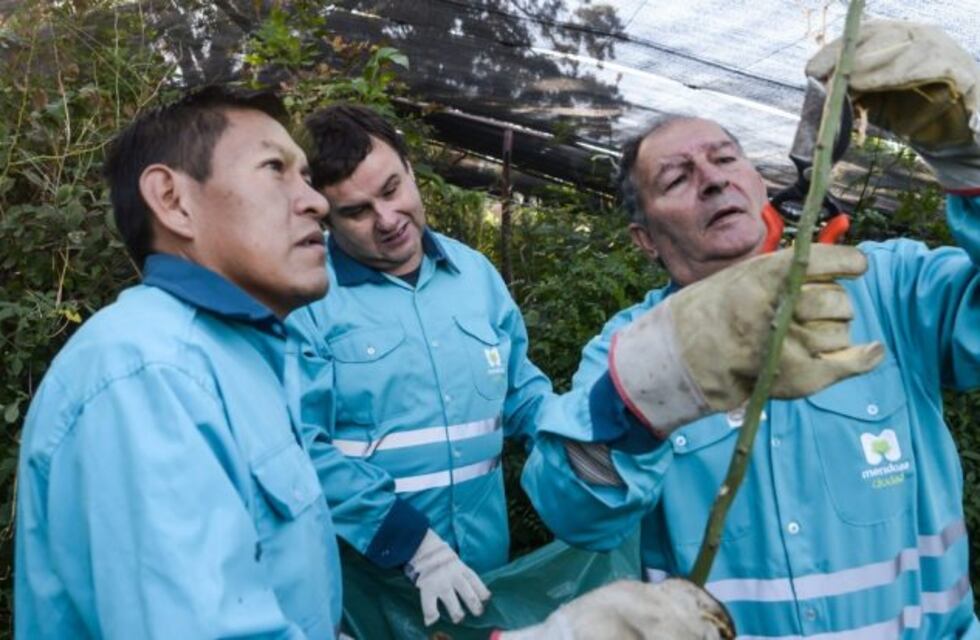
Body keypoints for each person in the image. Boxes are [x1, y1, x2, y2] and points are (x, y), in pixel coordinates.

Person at [294, 104, 882, 629]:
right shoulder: (309, 298)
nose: (388, 217)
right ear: (324, 216)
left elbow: (522, 395)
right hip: (370, 578)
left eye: (393, 189)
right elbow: (306, 447)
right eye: (357, 211)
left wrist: (588, 435)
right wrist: (411, 544)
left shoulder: (473, 276)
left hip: (480, 572)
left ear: (411, 170)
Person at [522, 20, 980, 639]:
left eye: (725, 158)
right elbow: (574, 513)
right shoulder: (629, 348)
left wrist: (969, 160)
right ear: (645, 240)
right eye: (676, 178)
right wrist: (640, 395)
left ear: (759, 182)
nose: (712, 178)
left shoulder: (886, 287)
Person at [14, 85, 344, 638]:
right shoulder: (145, 375)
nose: (316, 201)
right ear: (172, 200)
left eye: (306, 176)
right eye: (275, 169)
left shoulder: (237, 353)